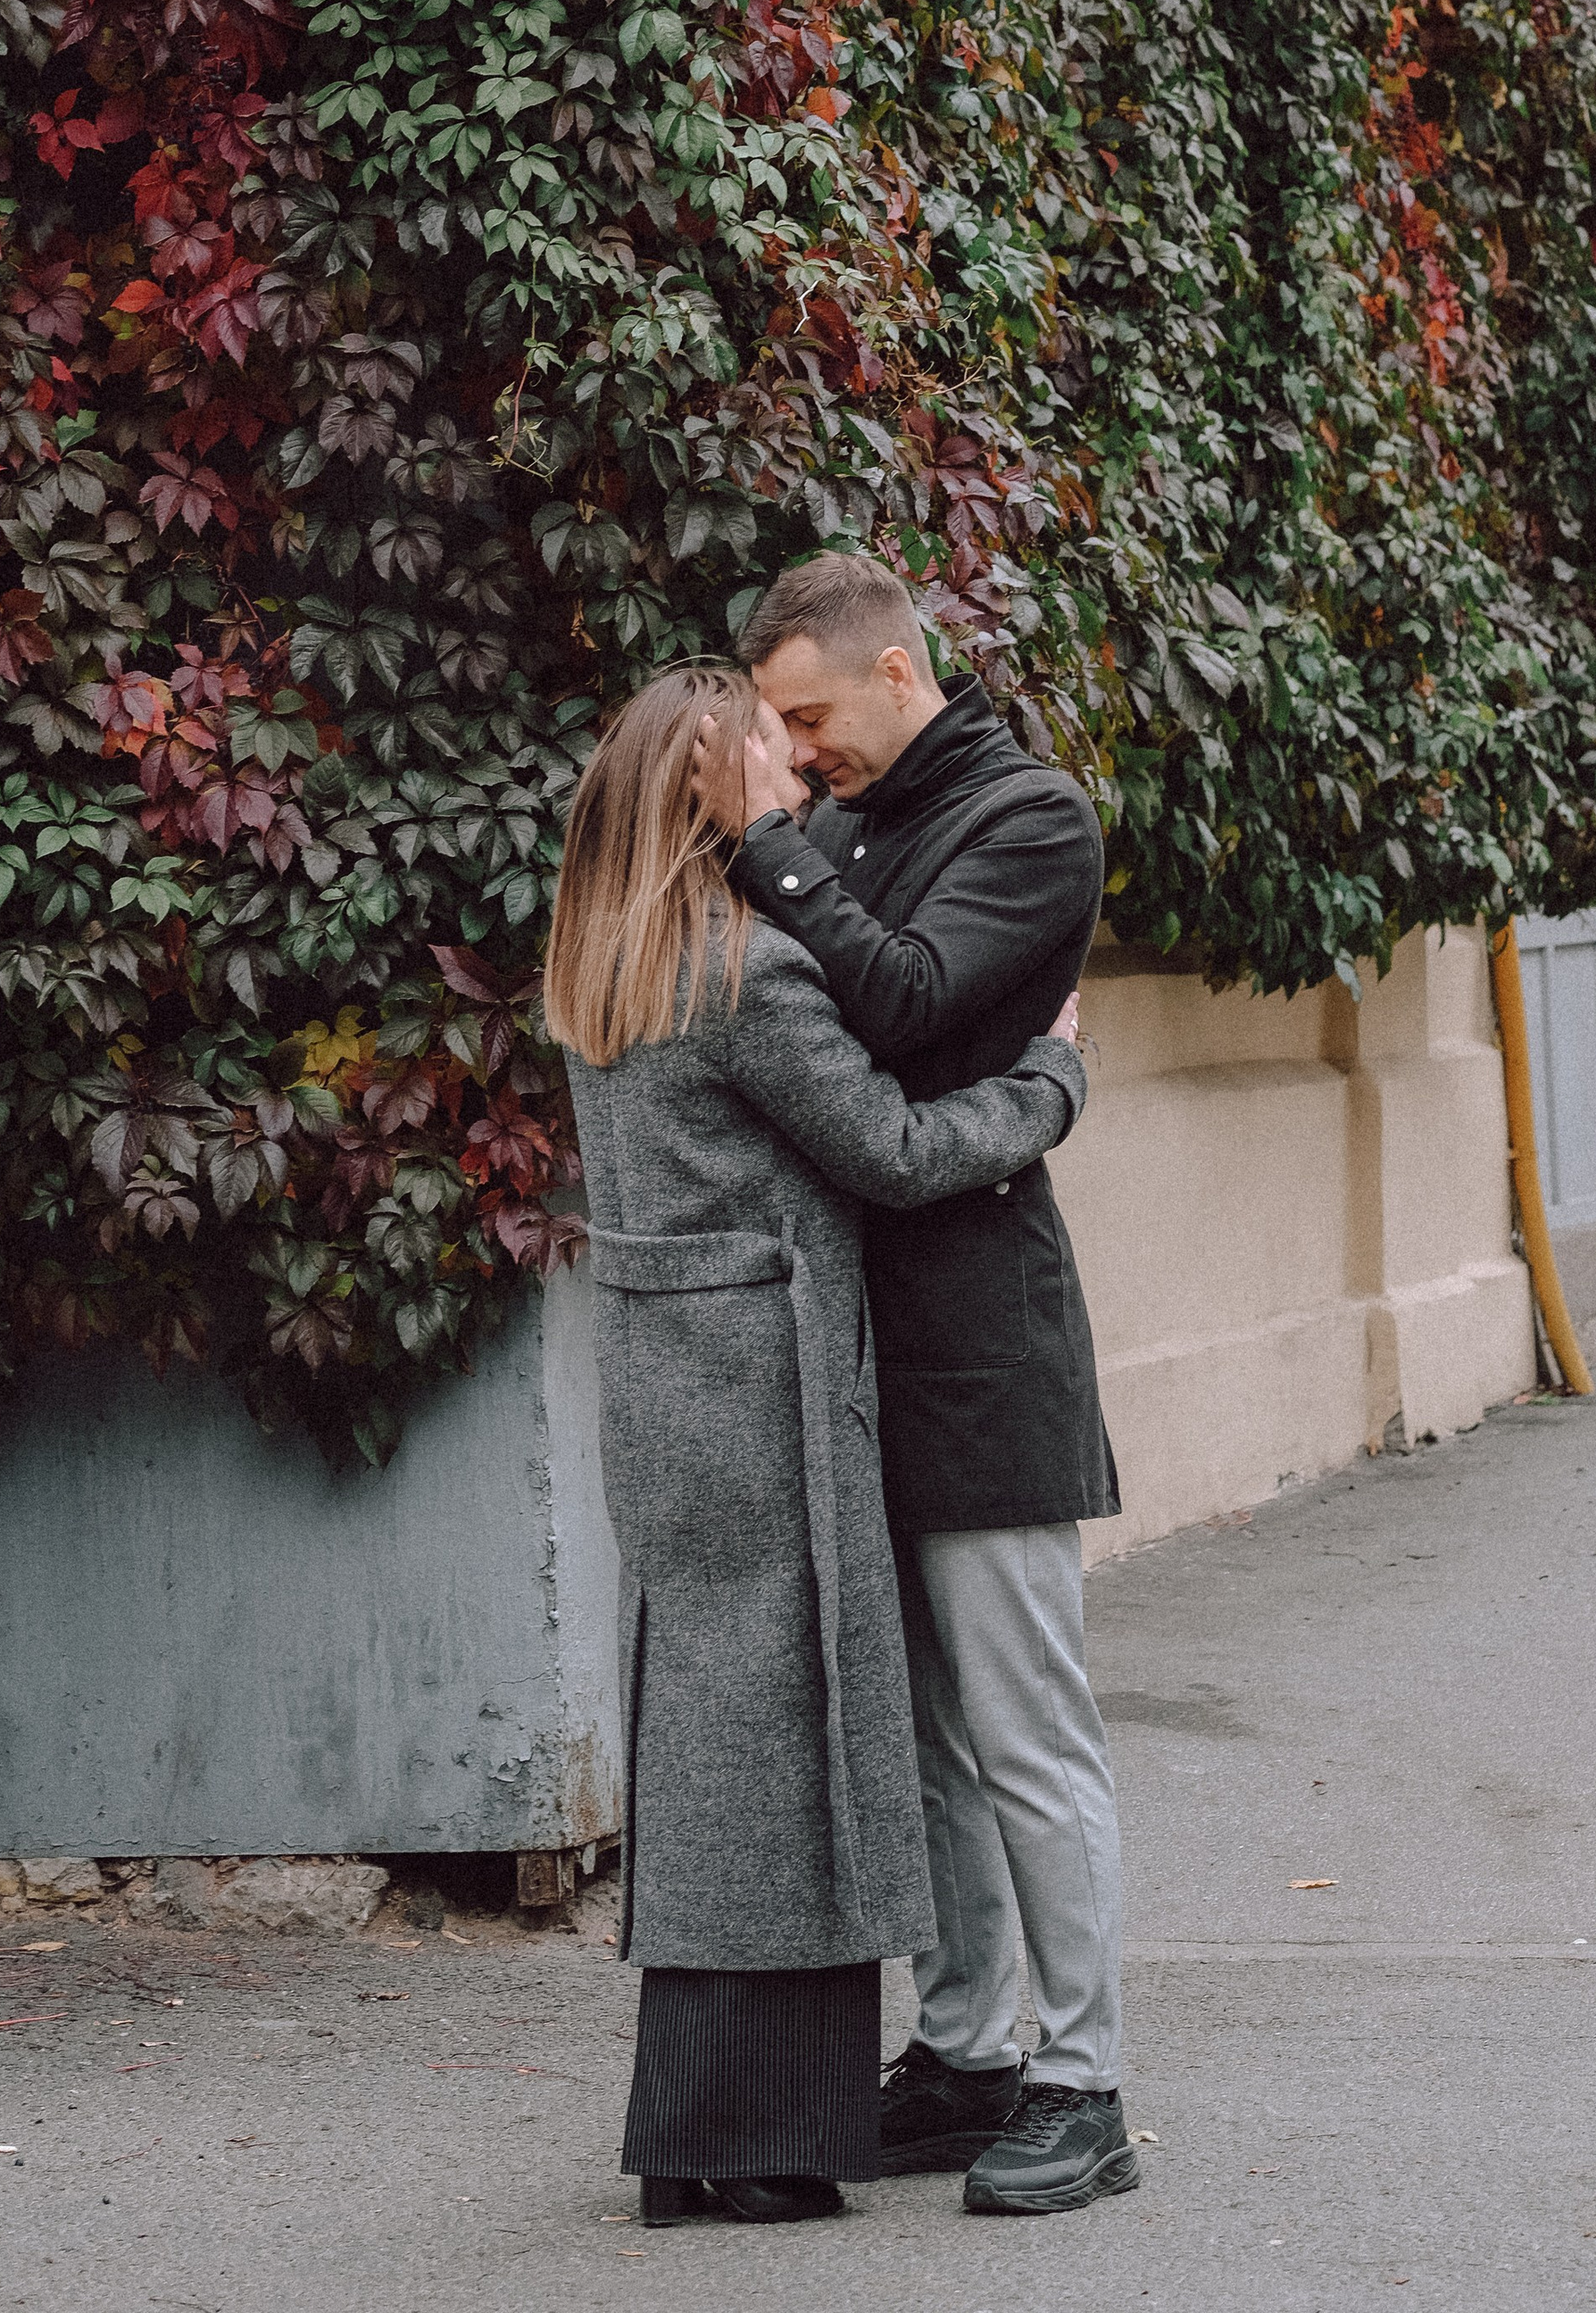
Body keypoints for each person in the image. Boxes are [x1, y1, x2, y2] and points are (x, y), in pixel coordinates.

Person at [544, 661, 1090, 2230]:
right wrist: (1051, 1078)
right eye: (764, 778)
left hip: (668, 1381)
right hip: (770, 1382)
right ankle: (751, 2136)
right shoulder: (747, 976)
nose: (795, 792)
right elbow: (900, 1151)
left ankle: (711, 2130)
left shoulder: (604, 964)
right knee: (792, 1743)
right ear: (708, 801)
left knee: (712, 1733)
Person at [708, 548, 1135, 2218]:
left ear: (897, 674)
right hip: (853, 1347)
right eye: (779, 737)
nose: (799, 757)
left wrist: (769, 851)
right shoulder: (845, 825)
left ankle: (1085, 2082)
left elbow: (892, 1012)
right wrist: (791, 849)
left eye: (812, 719)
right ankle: (966, 2054)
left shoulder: (1035, 825)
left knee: (1029, 1735)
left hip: (984, 1346)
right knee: (931, 1747)